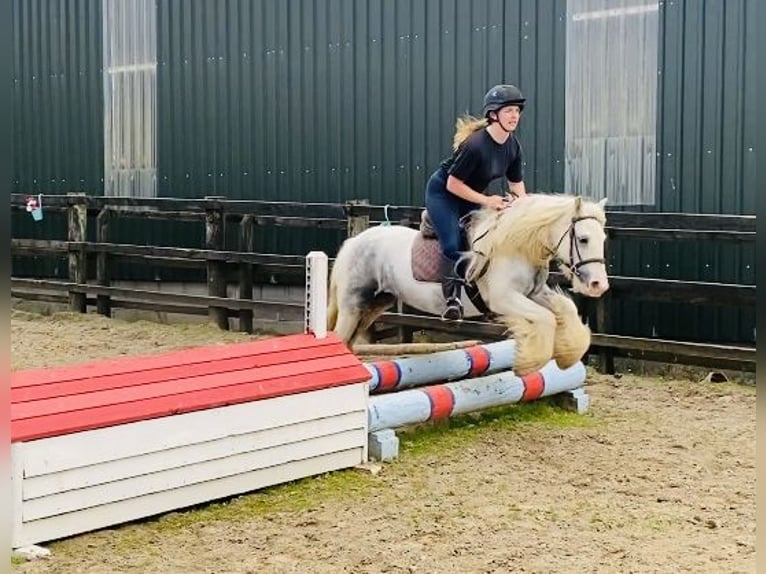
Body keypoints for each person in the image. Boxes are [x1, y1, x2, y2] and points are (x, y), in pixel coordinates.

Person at [424, 84, 528, 321]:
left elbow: (516, 186)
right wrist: (487, 200)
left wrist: (523, 208)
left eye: (517, 111)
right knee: (452, 245)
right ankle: (452, 302)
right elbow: (453, 184)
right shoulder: (475, 145)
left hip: (472, 195)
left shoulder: (513, 146)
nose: (515, 116)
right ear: (493, 115)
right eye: (509, 110)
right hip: (444, 194)